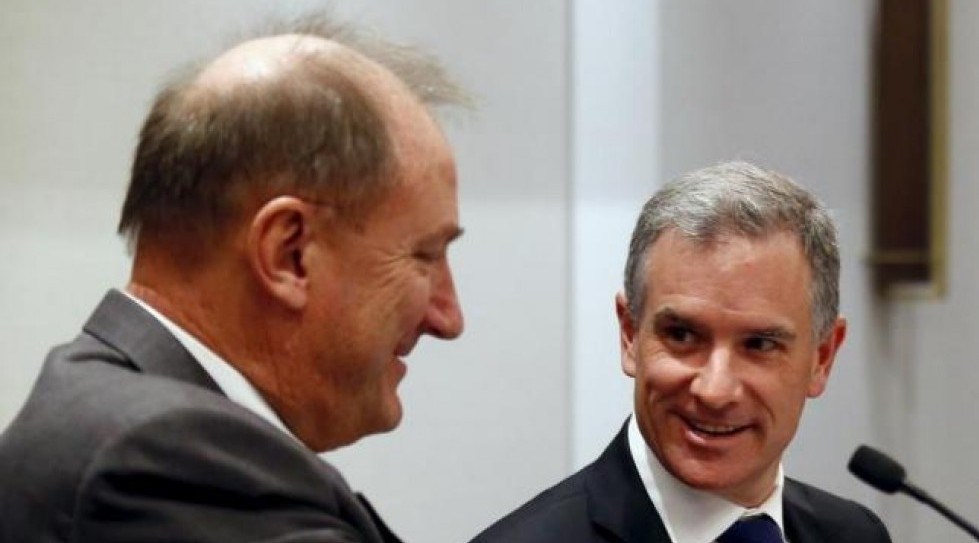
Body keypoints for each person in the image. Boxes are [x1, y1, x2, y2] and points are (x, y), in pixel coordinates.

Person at [0, 14, 467, 543]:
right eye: (424, 256)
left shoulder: (117, 413)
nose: (449, 317)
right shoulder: (169, 458)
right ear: (289, 252)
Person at [471, 162, 891, 543]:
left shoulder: (855, 535)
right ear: (630, 334)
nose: (714, 389)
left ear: (822, 358)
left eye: (760, 344)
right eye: (683, 336)